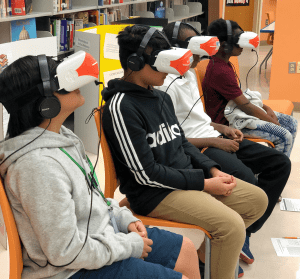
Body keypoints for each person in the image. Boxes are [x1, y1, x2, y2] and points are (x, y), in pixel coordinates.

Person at [0, 54, 202, 279]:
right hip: (71, 270)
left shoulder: (64, 138)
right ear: (46, 103)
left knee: (185, 249)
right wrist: (129, 246)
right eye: (62, 81)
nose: (76, 85)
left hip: (100, 240)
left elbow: (92, 198)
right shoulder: (37, 166)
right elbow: (64, 252)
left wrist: (123, 218)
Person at [102, 24, 269, 279]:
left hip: (185, 179)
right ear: (135, 63)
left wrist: (212, 170)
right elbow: (146, 175)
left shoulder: (160, 98)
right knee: (232, 226)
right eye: (160, 62)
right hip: (155, 193)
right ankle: (217, 261)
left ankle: (210, 255)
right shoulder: (121, 107)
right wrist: (204, 184)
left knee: (257, 201)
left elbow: (182, 143)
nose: (168, 70)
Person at [158, 21, 292, 276]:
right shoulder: (165, 85)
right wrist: (215, 141)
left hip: (213, 135)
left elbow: (198, 118)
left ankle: (244, 232)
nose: (201, 53)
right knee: (245, 179)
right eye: (194, 47)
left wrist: (221, 129)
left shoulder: (186, 74)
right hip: (199, 148)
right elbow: (176, 137)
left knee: (280, 164)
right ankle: (222, 242)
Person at [202, 18, 298, 158]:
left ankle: (274, 166)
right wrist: (271, 121)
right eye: (238, 41)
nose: (242, 46)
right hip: (231, 123)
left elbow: (240, 98)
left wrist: (266, 108)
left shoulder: (224, 63)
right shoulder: (220, 70)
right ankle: (272, 173)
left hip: (238, 113)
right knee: (284, 136)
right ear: (224, 46)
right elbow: (245, 105)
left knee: (291, 123)